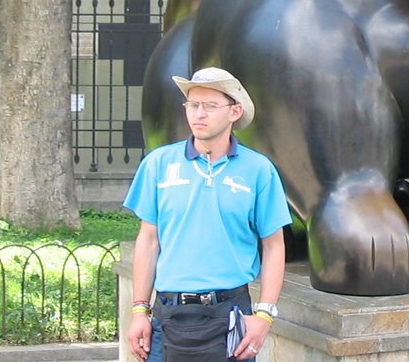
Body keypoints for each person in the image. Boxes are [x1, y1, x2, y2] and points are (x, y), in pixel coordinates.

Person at [124, 67, 292, 362]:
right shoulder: (158, 165)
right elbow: (148, 240)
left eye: (210, 106)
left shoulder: (259, 170)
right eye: (193, 105)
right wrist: (139, 309)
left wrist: (265, 315)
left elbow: (274, 245)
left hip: (230, 315)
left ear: (234, 111)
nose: (198, 114)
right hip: (168, 315)